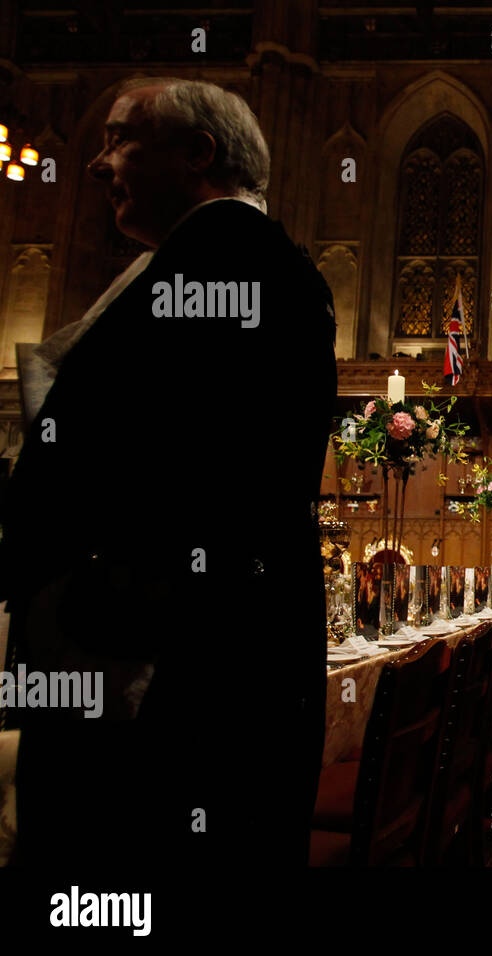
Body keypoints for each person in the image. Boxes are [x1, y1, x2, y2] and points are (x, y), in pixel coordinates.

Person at [0, 79, 337, 867]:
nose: (96, 163)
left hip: (158, 673)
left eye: (120, 140)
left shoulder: (221, 263)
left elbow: (146, 470)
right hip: (210, 656)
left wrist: (45, 569)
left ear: (198, 154)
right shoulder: (257, 261)